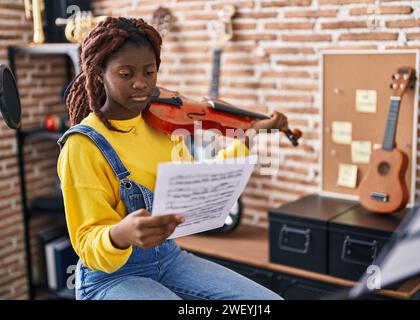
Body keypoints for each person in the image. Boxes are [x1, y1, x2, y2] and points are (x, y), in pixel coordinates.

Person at [57, 16, 288, 300]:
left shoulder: (162, 125)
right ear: (99, 74)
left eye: (149, 72)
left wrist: (251, 135)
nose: (141, 84)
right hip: (109, 277)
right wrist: (121, 235)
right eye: (126, 74)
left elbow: (196, 182)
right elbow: (86, 243)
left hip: (168, 260)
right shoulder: (83, 145)